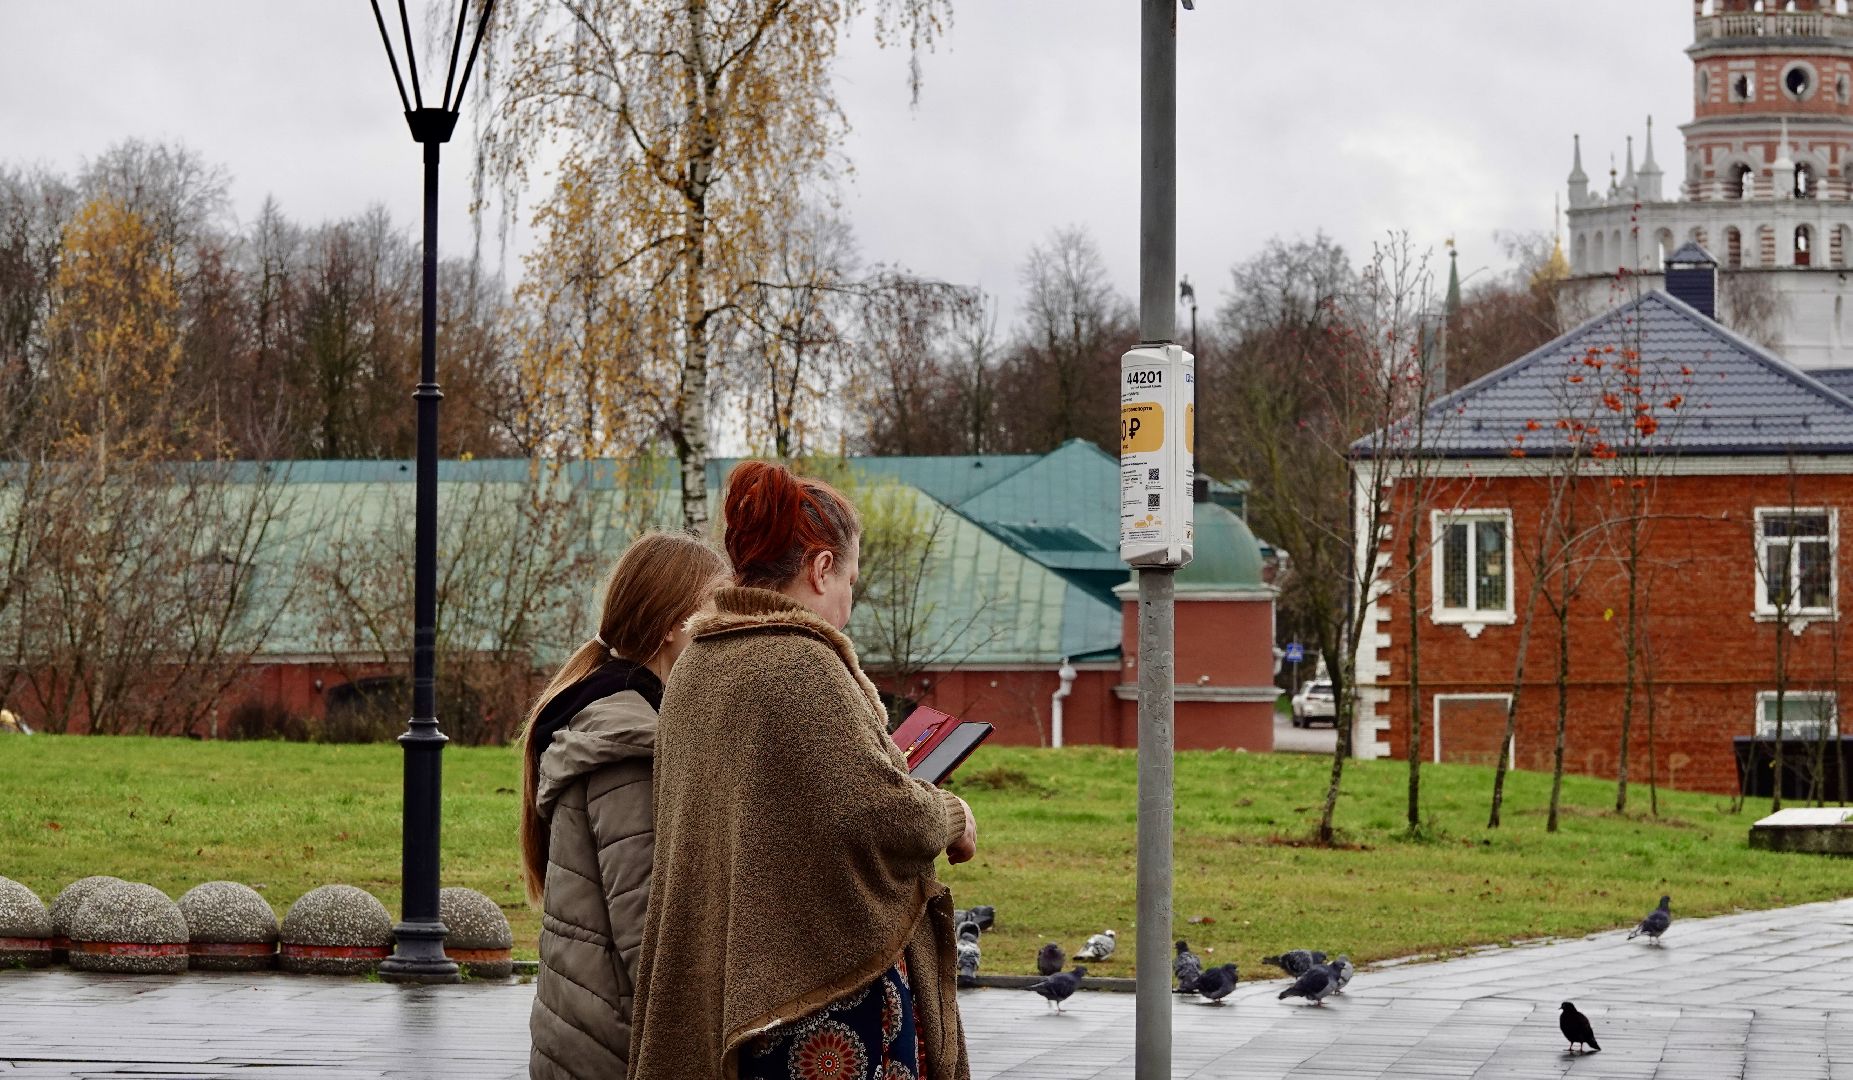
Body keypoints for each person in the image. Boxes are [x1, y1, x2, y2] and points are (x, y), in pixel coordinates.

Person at [628, 460, 977, 1080]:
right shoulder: (801, 665)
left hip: (734, 995)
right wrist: (950, 813)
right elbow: (877, 811)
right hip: (820, 1001)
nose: (848, 601)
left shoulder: (696, 668)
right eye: (849, 580)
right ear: (819, 568)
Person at [521, 531, 728, 1080]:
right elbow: (647, 936)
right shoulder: (631, 746)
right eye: (715, 612)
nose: (724, 631)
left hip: (587, 1038)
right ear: (671, 627)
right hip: (616, 1049)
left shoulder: (611, 717)